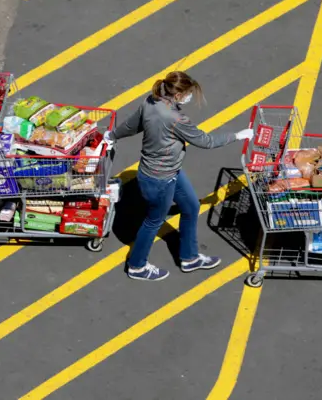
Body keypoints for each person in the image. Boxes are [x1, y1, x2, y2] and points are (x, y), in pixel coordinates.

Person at [104, 71, 254, 281]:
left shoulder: (151, 102)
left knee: (191, 207)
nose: (190, 97)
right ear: (178, 94)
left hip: (168, 172)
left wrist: (112, 135)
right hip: (160, 179)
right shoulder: (176, 119)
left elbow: (132, 125)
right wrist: (237, 136)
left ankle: (190, 258)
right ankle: (137, 266)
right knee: (153, 221)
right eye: (189, 93)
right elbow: (205, 141)